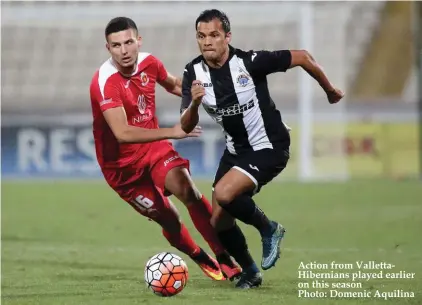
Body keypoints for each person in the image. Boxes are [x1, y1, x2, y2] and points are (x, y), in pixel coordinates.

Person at [180, 9, 344, 289]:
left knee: (224, 193)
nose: (207, 41)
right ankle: (252, 272)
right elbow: (185, 126)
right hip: (235, 152)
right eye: (201, 36)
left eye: (214, 35)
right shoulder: (193, 72)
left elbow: (303, 56)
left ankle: (269, 229)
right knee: (218, 223)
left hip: (270, 146)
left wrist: (329, 90)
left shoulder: (249, 62)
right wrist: (195, 103)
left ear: (227, 37)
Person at [89, 16, 242, 281]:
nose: (124, 51)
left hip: (153, 149)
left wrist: (206, 96)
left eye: (128, 42)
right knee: (169, 218)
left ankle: (223, 255)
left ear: (139, 41)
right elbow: (122, 133)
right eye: (116, 45)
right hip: (122, 170)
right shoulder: (105, 82)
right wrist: (174, 131)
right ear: (108, 48)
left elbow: (172, 84)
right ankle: (197, 254)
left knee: (188, 191)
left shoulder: (150, 63)